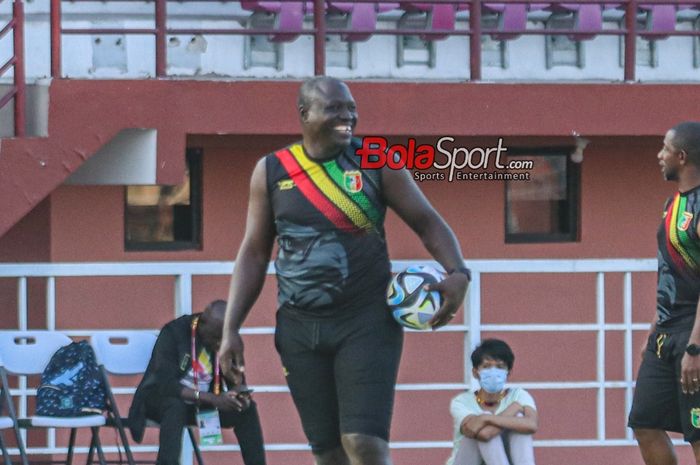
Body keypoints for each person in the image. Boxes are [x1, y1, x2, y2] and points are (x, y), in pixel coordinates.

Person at [218, 76, 470, 465]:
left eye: (351, 108)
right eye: (335, 108)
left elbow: (426, 221)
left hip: (365, 322)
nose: (348, 116)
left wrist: (458, 272)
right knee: (328, 453)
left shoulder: (377, 161)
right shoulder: (271, 171)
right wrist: (231, 328)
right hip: (299, 329)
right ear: (304, 113)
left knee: (363, 443)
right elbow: (253, 252)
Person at [628, 122, 700, 465]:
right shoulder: (672, 204)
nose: (659, 155)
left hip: (693, 334)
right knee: (644, 421)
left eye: (665, 149)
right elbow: (668, 273)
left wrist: (695, 348)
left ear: (682, 157)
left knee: (698, 432)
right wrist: (653, 328)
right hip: (666, 333)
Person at [128, 300, 266, 465]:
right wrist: (214, 399)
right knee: (174, 406)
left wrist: (239, 394)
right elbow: (166, 385)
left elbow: (237, 382)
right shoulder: (174, 333)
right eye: (215, 337)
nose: (219, 344)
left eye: (222, 338)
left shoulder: (227, 340)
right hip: (160, 401)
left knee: (247, 410)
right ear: (202, 325)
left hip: (201, 405)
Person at [446, 339, 537, 465]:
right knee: (479, 430)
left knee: (519, 419)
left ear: (508, 372)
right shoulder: (461, 402)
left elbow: (531, 425)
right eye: (486, 366)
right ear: (475, 372)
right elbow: (485, 434)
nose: (493, 372)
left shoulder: (518, 395)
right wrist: (508, 410)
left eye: (500, 366)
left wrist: (485, 419)